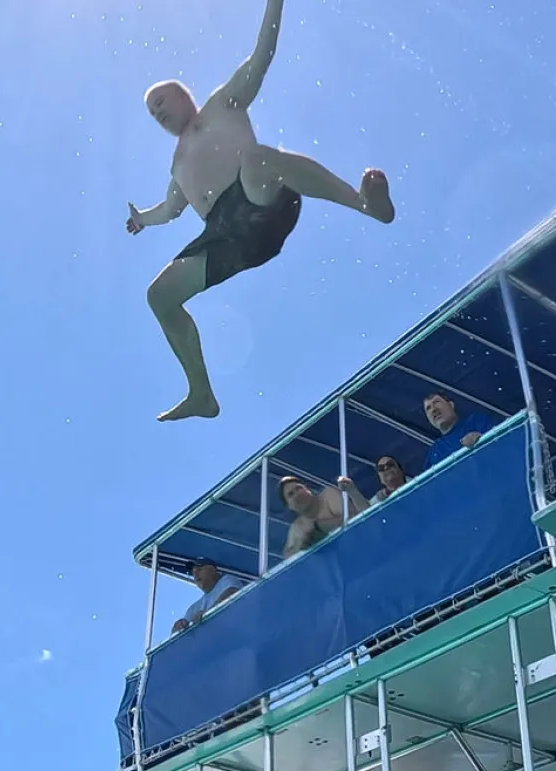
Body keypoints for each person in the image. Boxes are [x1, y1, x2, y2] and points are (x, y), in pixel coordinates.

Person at [127, 0, 395, 423]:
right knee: (158, 296)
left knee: (257, 159)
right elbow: (171, 209)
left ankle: (366, 205)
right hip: (226, 237)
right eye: (152, 112)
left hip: (263, 202)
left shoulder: (223, 104)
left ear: (185, 96)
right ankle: (201, 393)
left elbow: (262, 54)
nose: (158, 111)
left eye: (162, 101)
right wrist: (143, 217)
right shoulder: (176, 165)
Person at [280, 475, 369, 559]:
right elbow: (288, 558)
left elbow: (356, 519)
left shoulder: (328, 495)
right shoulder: (297, 527)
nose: (297, 494)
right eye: (291, 494)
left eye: (298, 488)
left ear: (308, 489)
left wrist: (319, 527)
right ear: (289, 506)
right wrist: (302, 543)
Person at [422, 394, 493, 471]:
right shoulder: (434, 452)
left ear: (451, 405)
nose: (433, 409)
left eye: (436, 402)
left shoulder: (477, 421)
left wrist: (483, 439)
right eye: (428, 408)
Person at [172, 559, 241, 635]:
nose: (195, 575)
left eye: (199, 570)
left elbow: (231, 592)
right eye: (193, 572)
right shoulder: (194, 608)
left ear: (213, 570)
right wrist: (178, 626)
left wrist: (206, 615)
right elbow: (178, 634)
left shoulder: (228, 580)